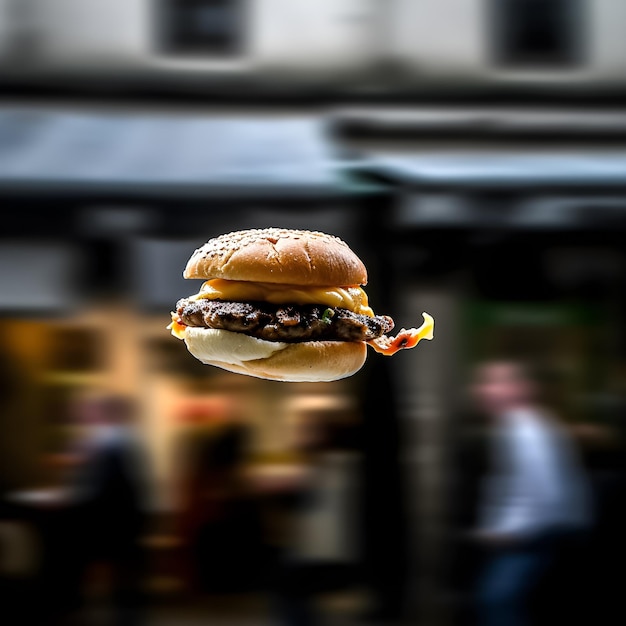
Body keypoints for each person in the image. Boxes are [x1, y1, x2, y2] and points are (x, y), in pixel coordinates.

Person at [471, 361, 590, 626]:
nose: (484, 390)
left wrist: (506, 532)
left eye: (496, 383)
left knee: (496, 602)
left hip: (532, 540)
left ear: (520, 389)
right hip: (534, 538)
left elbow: (545, 492)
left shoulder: (525, 430)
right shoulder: (519, 426)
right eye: (484, 383)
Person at [67, 394, 149, 626]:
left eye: (90, 413)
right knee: (125, 580)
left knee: (121, 581)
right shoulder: (121, 441)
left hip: (113, 523)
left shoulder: (112, 443)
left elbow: (105, 490)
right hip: (124, 522)